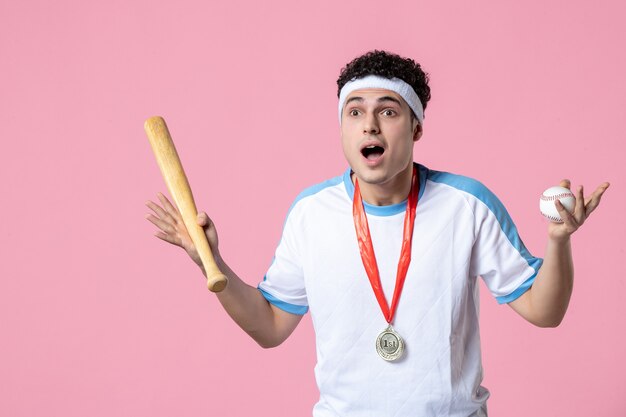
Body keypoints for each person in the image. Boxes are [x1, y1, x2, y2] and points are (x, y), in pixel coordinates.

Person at [145, 50, 609, 416]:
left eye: (388, 111)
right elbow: (268, 327)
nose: (369, 123)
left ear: (416, 127)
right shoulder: (312, 213)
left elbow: (545, 312)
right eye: (354, 112)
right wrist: (212, 262)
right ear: (342, 128)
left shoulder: (467, 205)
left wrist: (558, 241)